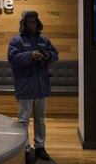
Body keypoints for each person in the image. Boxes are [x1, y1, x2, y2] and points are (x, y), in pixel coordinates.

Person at [7, 10, 59, 164]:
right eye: (29, 22)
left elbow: (55, 54)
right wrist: (31, 55)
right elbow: (13, 59)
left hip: (42, 87)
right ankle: (25, 149)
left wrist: (48, 56)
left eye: (35, 22)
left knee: (40, 120)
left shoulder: (44, 39)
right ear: (24, 24)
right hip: (25, 87)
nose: (33, 24)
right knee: (23, 121)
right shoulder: (16, 41)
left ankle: (40, 146)